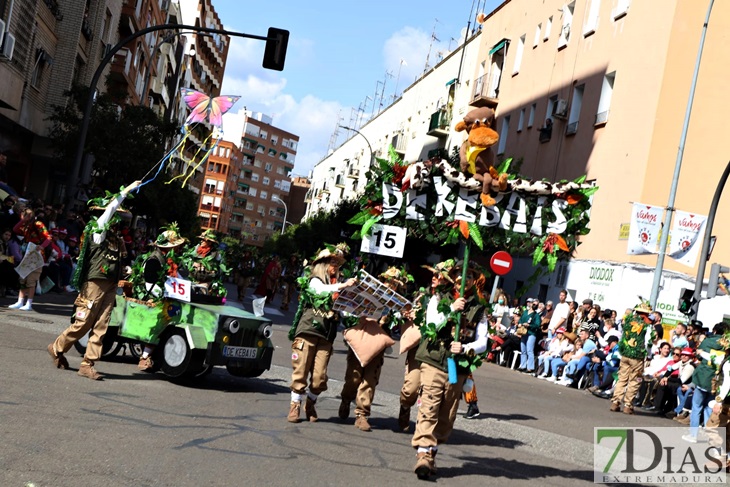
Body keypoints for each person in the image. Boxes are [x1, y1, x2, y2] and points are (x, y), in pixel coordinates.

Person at [47, 180, 141, 380]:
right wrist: (126, 190)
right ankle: (57, 346)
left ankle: (87, 364)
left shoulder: (115, 238)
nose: (117, 220)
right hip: (94, 284)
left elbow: (115, 260)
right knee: (84, 323)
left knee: (102, 325)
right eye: (114, 216)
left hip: (110, 285)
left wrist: (126, 270)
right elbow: (110, 209)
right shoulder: (98, 231)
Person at [410, 259, 488, 479]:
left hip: (458, 366)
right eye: (460, 275)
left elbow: (483, 341)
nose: (465, 279)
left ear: (474, 281)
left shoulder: (479, 308)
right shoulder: (438, 298)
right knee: (430, 405)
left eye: (470, 276)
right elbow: (431, 324)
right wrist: (452, 309)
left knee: (447, 414)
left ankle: (432, 452)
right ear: (453, 277)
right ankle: (423, 454)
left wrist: (465, 347)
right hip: (434, 360)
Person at [288, 244, 356, 423]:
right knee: (300, 372)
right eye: (331, 262)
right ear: (322, 264)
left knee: (319, 379)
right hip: (308, 331)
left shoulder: (338, 286)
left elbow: (346, 311)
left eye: (337, 263)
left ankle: (310, 401)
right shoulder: (314, 280)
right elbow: (319, 291)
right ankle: (295, 406)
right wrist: (342, 286)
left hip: (326, 336)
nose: (335, 266)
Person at [339, 266, 408, 431]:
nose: (391, 286)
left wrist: (399, 315)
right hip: (361, 339)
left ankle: (362, 414)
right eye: (389, 282)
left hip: (378, 343)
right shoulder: (369, 294)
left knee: (370, 379)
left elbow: (400, 318)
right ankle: (346, 399)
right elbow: (348, 311)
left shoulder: (396, 304)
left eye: (395, 284)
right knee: (353, 378)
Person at [137, 225, 187, 371]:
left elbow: (179, 279)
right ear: (168, 247)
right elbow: (148, 284)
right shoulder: (154, 260)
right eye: (176, 246)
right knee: (162, 318)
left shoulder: (170, 261)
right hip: (150, 296)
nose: (179, 249)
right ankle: (144, 357)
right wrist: (164, 295)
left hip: (168, 297)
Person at [682, 323, 730, 443]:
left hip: (703, 377)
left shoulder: (707, 341)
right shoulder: (726, 345)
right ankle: (709, 435)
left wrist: (701, 353)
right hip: (718, 380)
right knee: (710, 407)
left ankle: (693, 435)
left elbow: (699, 357)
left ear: (714, 331)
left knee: (697, 406)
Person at [610, 301, 657, 414]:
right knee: (635, 381)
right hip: (637, 357)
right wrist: (649, 356)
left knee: (622, 379)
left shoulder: (628, 322)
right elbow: (648, 343)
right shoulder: (647, 326)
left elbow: (622, 336)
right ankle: (627, 405)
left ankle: (616, 402)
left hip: (625, 354)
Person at [9, 208, 53, 311]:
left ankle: (29, 303)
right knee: (22, 278)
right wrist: (22, 221)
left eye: (27, 215)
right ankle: (20, 301)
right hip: (27, 254)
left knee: (31, 280)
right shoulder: (25, 225)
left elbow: (48, 238)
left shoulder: (38, 224)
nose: (25, 216)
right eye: (23, 215)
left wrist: (41, 246)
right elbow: (15, 229)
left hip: (36, 255)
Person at [517, 299, 542, 373]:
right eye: (534, 304)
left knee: (529, 350)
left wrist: (529, 325)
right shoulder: (525, 312)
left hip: (531, 333)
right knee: (523, 350)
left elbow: (537, 325)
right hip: (523, 332)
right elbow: (520, 320)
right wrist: (519, 323)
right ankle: (522, 365)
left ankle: (530, 367)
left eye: (536, 305)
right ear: (531, 304)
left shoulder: (536, 315)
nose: (535, 306)